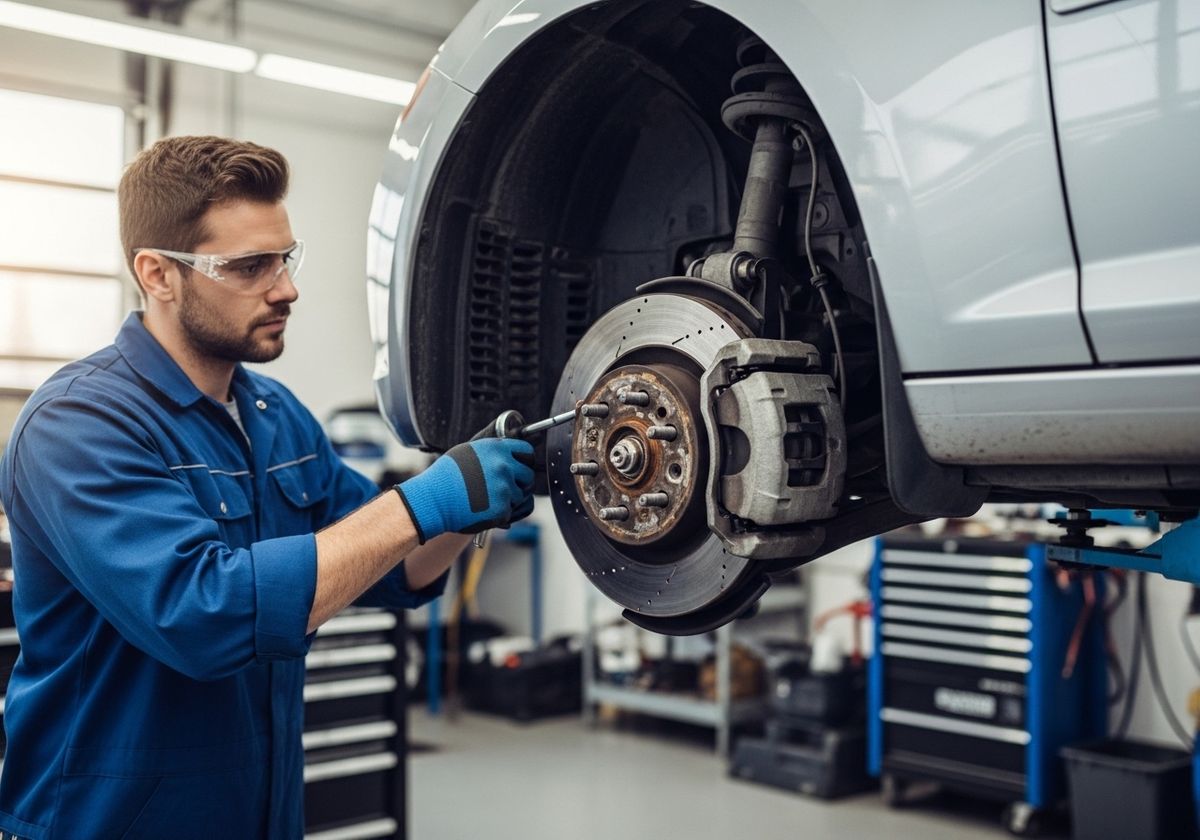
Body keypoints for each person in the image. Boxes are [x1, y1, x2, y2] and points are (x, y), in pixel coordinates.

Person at [0, 135, 535, 839]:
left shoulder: (275, 415)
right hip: (106, 822)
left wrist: (466, 511)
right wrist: (424, 502)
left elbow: (393, 566)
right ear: (158, 274)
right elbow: (203, 615)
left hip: (260, 813)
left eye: (285, 258)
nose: (285, 288)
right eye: (249, 266)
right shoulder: (78, 423)